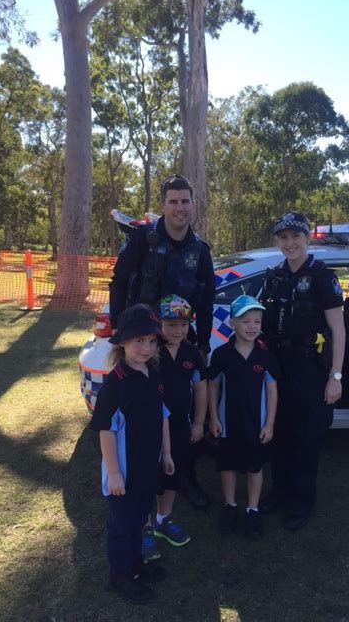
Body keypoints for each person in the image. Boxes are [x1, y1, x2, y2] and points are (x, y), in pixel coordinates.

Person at [109, 173, 215, 508]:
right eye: (173, 201)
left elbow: (207, 300)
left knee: (181, 415)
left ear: (193, 204)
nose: (180, 208)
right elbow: (119, 283)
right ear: (163, 205)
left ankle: (186, 477)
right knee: (141, 412)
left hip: (182, 344)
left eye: (185, 201)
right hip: (143, 347)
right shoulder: (143, 239)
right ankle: (135, 477)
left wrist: (203, 345)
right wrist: (118, 334)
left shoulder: (200, 249)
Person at [259, 211, 345, 531]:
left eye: (296, 236)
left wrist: (335, 377)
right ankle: (279, 492)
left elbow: (338, 330)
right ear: (278, 241)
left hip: (309, 366)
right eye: (284, 237)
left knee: (305, 440)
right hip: (278, 366)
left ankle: (302, 502)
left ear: (307, 239)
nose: (290, 243)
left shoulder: (322, 276)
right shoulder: (273, 276)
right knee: (279, 435)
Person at [90, 303, 174, 603]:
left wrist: (166, 454)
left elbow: (162, 415)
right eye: (139, 340)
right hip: (122, 474)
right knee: (121, 524)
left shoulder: (152, 375)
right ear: (122, 342)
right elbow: (105, 430)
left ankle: (137, 564)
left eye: (152, 341)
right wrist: (113, 473)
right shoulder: (116, 383)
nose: (146, 348)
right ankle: (120, 575)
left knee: (140, 518)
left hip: (146, 468)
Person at [141, 295, 208, 555]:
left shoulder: (192, 352)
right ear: (159, 324)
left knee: (173, 473)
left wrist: (199, 423)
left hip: (181, 425)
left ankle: (163, 519)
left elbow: (200, 389)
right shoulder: (149, 352)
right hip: (148, 427)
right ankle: (144, 526)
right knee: (147, 476)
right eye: (171, 325)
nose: (178, 330)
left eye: (183, 324)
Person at [208, 295, 278, 540]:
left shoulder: (265, 356)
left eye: (257, 321)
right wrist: (214, 418)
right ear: (233, 323)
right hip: (228, 425)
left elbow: (271, 390)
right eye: (245, 321)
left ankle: (252, 508)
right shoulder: (221, 354)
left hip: (256, 426)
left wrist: (269, 423)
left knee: (254, 467)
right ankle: (230, 506)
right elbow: (213, 386)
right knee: (228, 466)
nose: (252, 326)